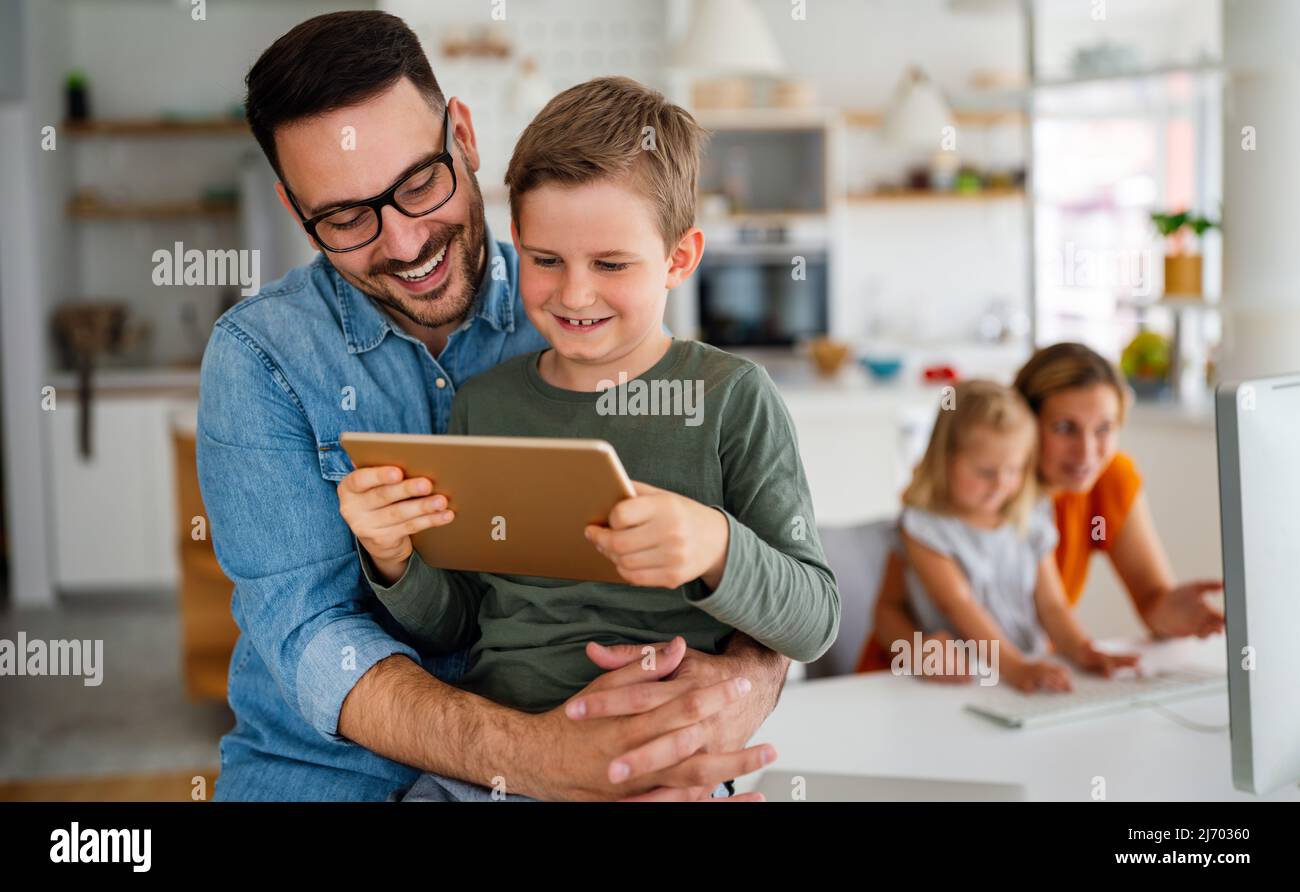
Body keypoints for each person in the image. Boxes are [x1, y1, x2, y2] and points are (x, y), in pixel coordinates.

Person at [197, 11, 791, 802]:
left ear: (465, 138)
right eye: (344, 218)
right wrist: (542, 757)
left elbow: (759, 564)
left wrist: (731, 695)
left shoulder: (586, 306)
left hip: (589, 748)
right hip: (326, 774)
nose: (404, 243)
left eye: (419, 183)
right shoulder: (257, 358)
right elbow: (310, 635)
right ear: (295, 208)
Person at [337, 77, 840, 800]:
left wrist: (714, 546)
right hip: (498, 768)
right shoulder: (486, 404)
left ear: (679, 258)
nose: (573, 294)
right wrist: (392, 561)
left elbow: (815, 620)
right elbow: (460, 622)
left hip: (661, 768)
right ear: (519, 246)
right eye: (546, 261)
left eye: (610, 264)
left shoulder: (733, 400)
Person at [860, 343, 1225, 677]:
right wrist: (919, 652)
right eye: (1065, 428)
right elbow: (894, 611)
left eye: (1105, 428)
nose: (1087, 454)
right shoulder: (957, 499)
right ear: (1027, 422)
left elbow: (1139, 601)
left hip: (1014, 672)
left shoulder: (1103, 481)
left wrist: (1170, 612)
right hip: (921, 674)